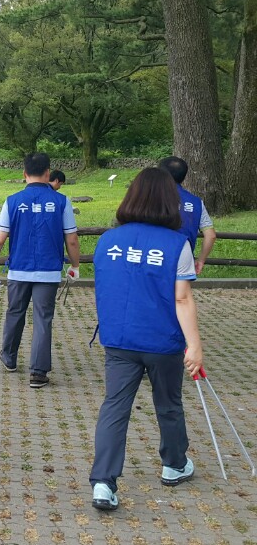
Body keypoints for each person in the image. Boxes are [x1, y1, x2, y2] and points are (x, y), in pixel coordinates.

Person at [89, 167, 203, 511]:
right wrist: (194, 344)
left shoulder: (109, 240)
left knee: (114, 407)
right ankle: (174, 464)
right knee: (168, 404)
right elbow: (182, 299)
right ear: (171, 201)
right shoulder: (177, 244)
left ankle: (103, 484)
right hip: (163, 341)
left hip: (119, 339)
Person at [0, 153, 80, 388]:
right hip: (49, 271)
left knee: (15, 312)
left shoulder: (12, 201)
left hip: (19, 270)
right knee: (43, 318)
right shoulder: (62, 202)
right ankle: (38, 372)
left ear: (24, 174)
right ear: (48, 173)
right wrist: (74, 266)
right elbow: (71, 239)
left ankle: (9, 357)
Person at [158, 156, 217, 274]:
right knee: (181, 291)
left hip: (154, 255)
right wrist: (200, 260)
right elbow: (211, 235)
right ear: (184, 176)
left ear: (160, 174)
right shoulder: (196, 202)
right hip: (184, 258)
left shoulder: (150, 196)